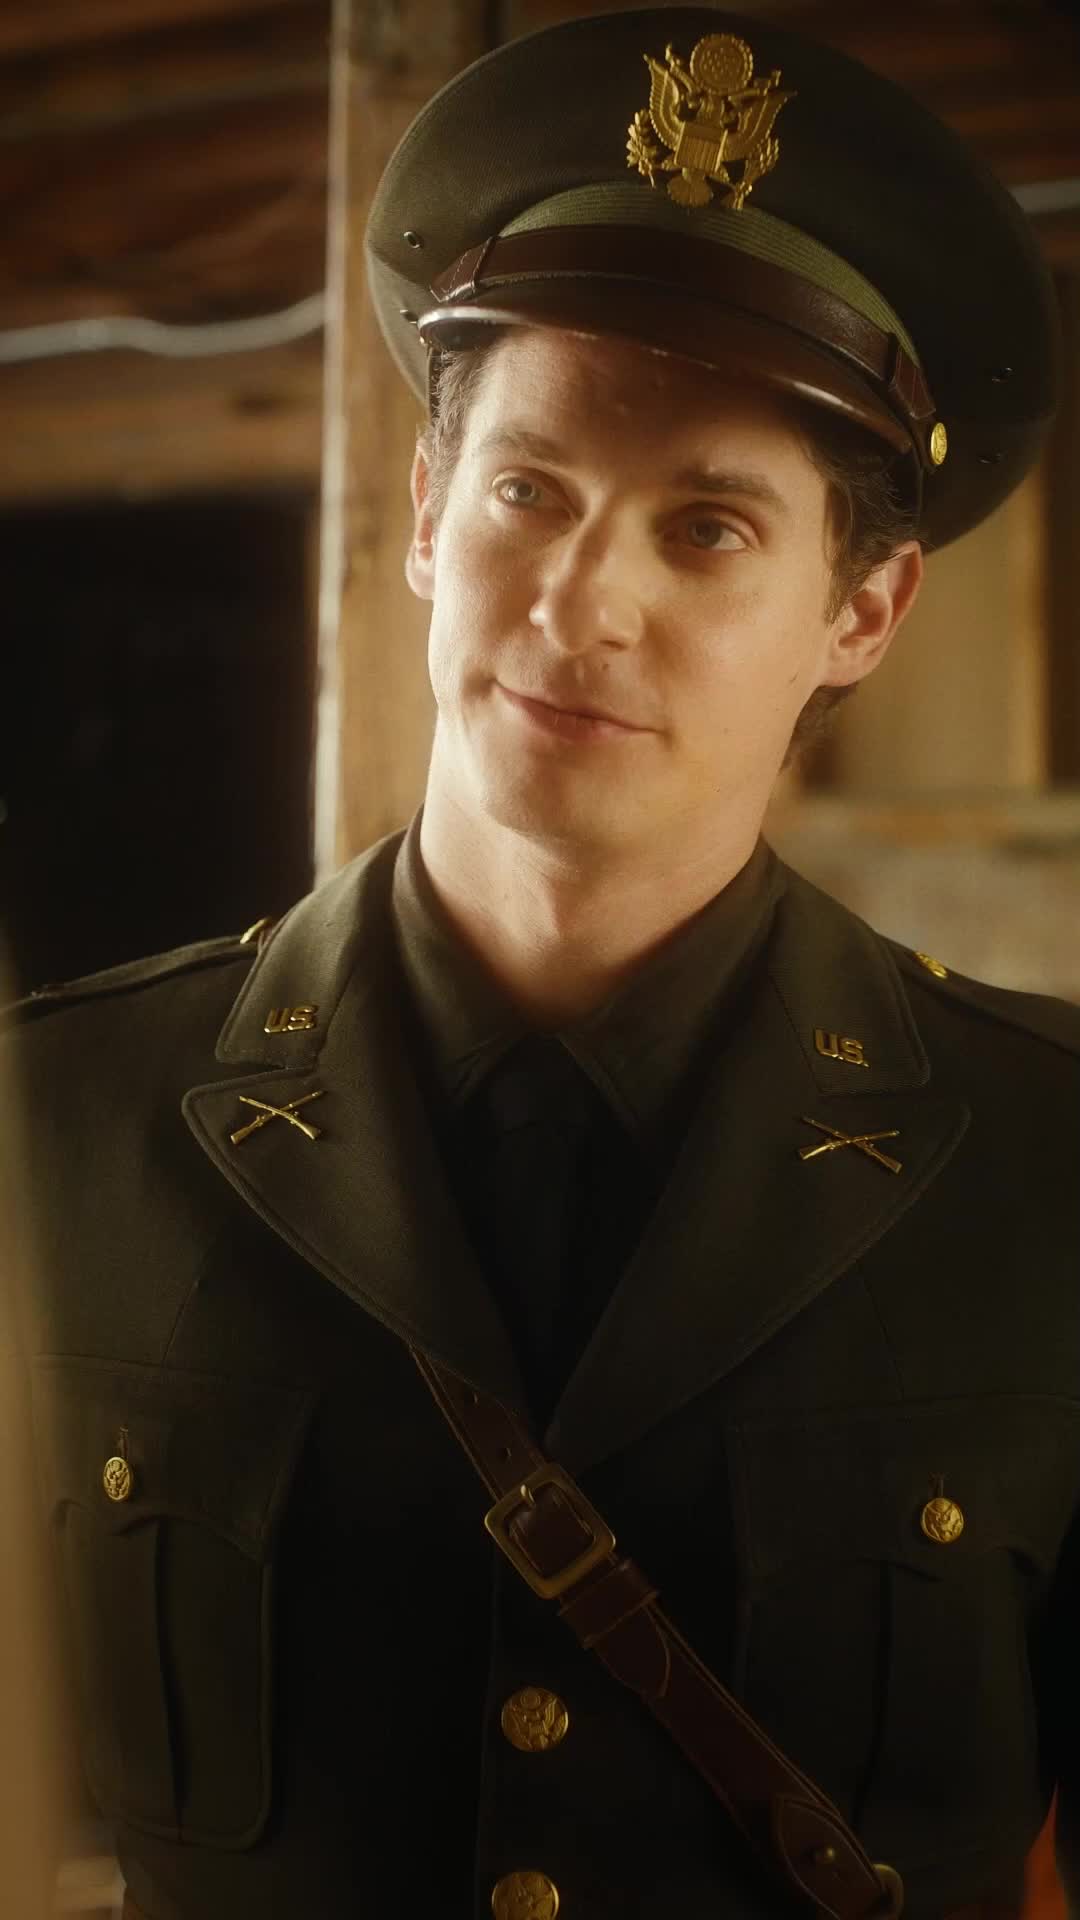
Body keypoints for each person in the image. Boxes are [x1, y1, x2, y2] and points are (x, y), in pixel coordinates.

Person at [4, 10, 1079, 1920]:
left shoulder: (1047, 1158)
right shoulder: (55, 1122)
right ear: (427, 515)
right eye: (530, 491)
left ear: (863, 610)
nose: (585, 602)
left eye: (707, 527)